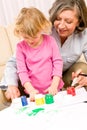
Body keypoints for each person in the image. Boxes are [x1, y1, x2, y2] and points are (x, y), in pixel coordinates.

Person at [0, 0, 87, 102]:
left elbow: (57, 62)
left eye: (68, 21)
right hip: (30, 82)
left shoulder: (83, 36)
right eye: (58, 19)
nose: (61, 26)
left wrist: (85, 77)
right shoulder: (39, 29)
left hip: (56, 79)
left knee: (82, 67)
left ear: (79, 21)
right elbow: (16, 65)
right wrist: (12, 84)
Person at [15, 7, 64, 101]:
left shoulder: (50, 41)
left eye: (34, 37)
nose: (30, 41)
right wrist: (31, 90)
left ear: (41, 28)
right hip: (34, 93)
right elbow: (22, 72)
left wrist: (54, 85)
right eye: (26, 37)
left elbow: (58, 63)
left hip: (55, 89)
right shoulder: (20, 47)